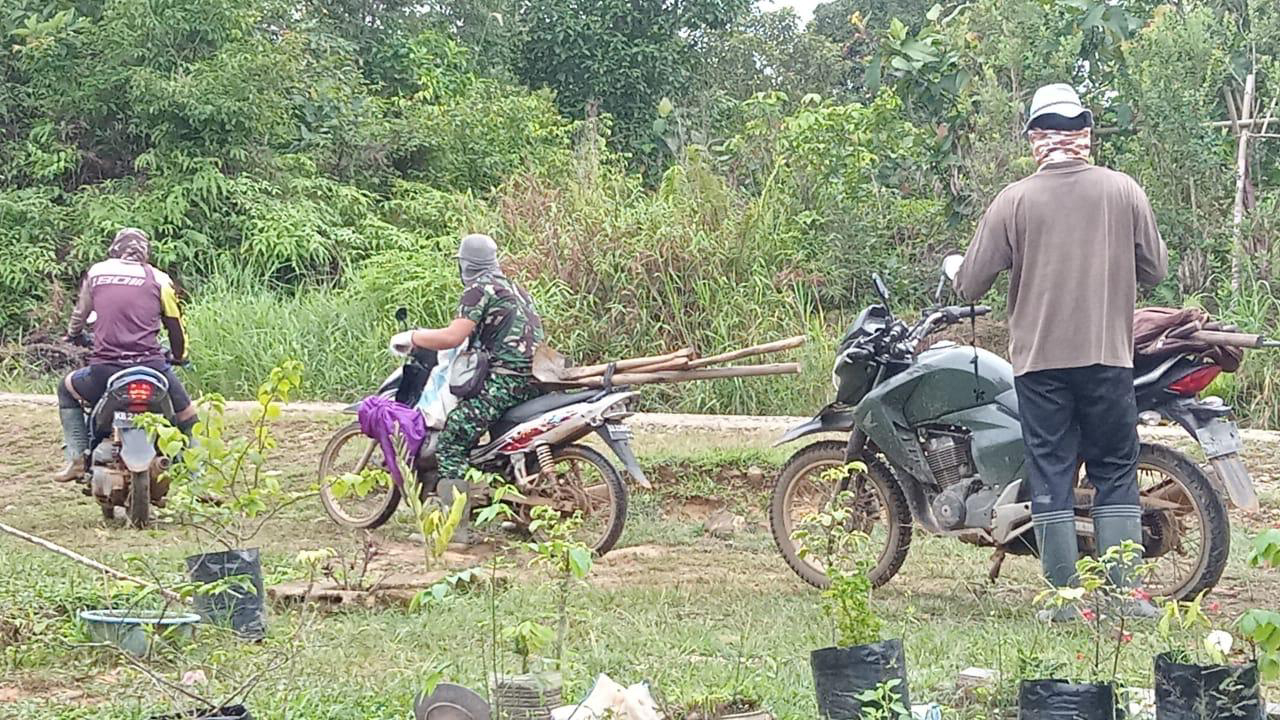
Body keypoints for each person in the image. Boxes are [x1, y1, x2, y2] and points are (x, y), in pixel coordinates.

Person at [954, 83, 1168, 620]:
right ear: (1085, 135)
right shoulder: (1124, 191)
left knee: (1052, 471)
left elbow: (970, 284)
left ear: (1035, 138)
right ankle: (1125, 596)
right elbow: (1155, 271)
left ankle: (1064, 600)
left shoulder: (1014, 200)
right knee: (1115, 468)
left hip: (1040, 364)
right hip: (1108, 356)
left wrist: (959, 271)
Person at [402, 233, 544, 543]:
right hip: (533, 380)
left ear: (465, 264)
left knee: (453, 438)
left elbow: (454, 336)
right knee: (506, 446)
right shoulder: (515, 289)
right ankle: (522, 517)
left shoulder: (478, 289)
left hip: (504, 380)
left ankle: (453, 530)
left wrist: (414, 337)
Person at [55, 228, 197, 481]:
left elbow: (81, 313)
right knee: (187, 416)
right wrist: (179, 355)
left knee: (66, 389)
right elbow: (175, 323)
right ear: (145, 254)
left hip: (105, 369)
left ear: (114, 251)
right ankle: (198, 477)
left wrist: (74, 334)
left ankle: (76, 459)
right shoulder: (159, 278)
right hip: (152, 367)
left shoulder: (97, 273)